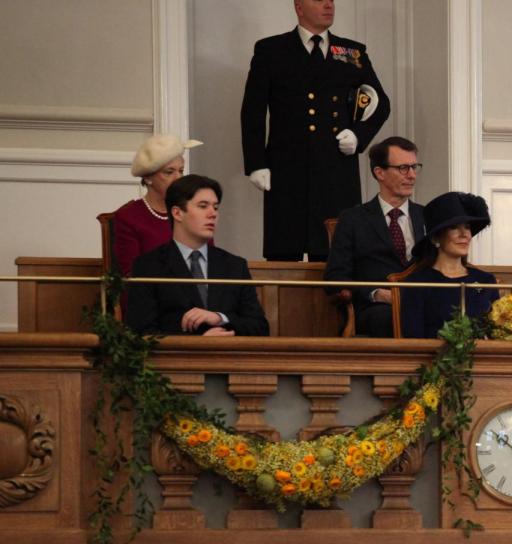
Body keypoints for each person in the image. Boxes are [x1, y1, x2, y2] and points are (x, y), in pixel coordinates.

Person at [241, 0, 391, 262]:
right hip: (287, 166)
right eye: (319, 0)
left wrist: (358, 135)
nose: (328, 5)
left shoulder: (351, 52)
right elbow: (253, 111)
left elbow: (380, 103)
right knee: (284, 249)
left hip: (336, 167)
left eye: (331, 0)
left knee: (335, 252)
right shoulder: (271, 50)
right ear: (299, 7)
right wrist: (256, 163)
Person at [126, 175, 269, 337]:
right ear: (177, 213)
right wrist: (198, 341)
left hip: (230, 359)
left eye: (215, 207)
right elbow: (140, 332)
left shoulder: (235, 266)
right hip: (176, 360)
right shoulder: (148, 266)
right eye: (203, 206)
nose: (213, 214)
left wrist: (220, 318)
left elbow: (260, 327)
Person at [324, 137, 425, 337]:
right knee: (389, 317)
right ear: (380, 173)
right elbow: (335, 278)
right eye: (403, 168)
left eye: (415, 167)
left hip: (423, 303)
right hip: (376, 308)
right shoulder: (353, 219)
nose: (412, 175)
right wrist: (375, 293)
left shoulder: (428, 216)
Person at [400, 192, 499, 339]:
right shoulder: (416, 283)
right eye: (454, 227)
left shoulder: (486, 281)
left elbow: (496, 334)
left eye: (467, 227)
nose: (464, 234)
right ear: (435, 238)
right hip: (432, 360)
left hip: (483, 360)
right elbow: (413, 338)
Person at [113, 134, 203, 277]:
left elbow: (210, 265)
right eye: (169, 172)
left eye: (181, 171)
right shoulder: (128, 218)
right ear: (148, 177)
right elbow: (132, 274)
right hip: (151, 295)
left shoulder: (194, 212)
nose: (178, 178)